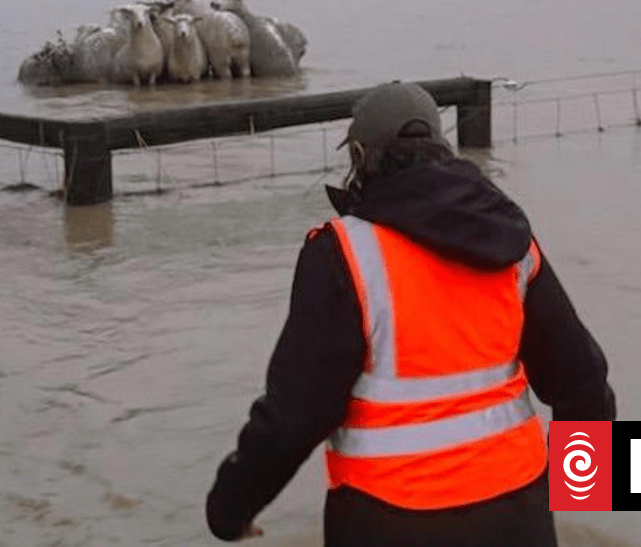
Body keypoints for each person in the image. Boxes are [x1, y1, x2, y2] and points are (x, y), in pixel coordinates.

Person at [205, 82, 616, 546]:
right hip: (515, 515)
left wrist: (230, 508)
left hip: (388, 519)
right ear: (441, 148)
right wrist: (582, 483)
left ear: (360, 157)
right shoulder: (511, 242)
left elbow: (296, 413)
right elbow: (582, 378)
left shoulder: (345, 254)